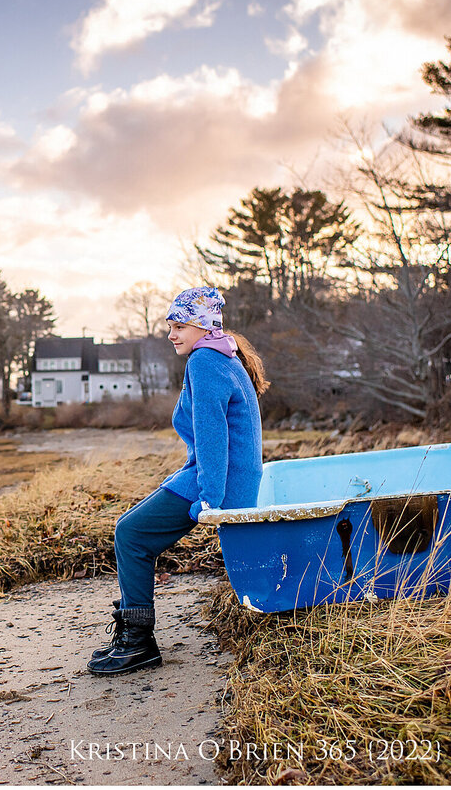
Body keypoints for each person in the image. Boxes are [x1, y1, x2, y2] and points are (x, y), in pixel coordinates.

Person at [88, 286, 268, 676]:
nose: (172, 333)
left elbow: (213, 438)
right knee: (133, 531)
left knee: (131, 534)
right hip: (219, 473)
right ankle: (136, 638)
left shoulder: (204, 361)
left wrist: (209, 498)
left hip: (218, 478)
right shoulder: (223, 355)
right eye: (170, 324)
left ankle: (138, 643)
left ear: (203, 326)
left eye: (180, 325)